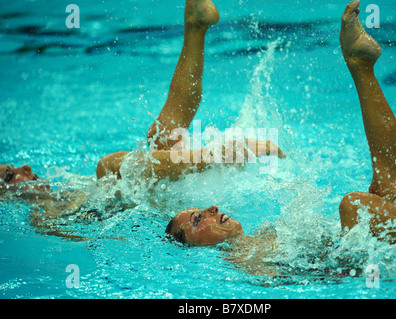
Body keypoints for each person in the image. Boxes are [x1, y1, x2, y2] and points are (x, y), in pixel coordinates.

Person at [164, 0, 396, 252]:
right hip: (343, 267)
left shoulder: (260, 237)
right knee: (356, 206)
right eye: (198, 218)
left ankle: (361, 66)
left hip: (344, 255)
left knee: (385, 194)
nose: (212, 207)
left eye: (201, 211)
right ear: (193, 247)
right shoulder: (244, 261)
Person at [0, 0, 285, 238]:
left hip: (146, 197)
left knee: (161, 137)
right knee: (110, 165)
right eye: (10, 175)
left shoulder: (61, 187)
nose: (25, 167)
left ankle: (196, 28)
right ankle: (219, 153)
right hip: (148, 208)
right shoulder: (43, 220)